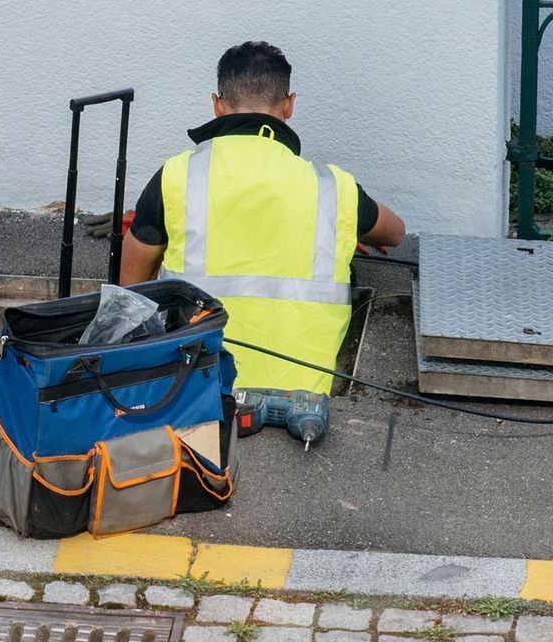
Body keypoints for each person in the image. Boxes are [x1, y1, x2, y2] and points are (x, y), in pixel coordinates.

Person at [119, 41, 405, 397]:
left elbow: (130, 293)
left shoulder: (176, 176)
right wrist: (343, 226)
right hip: (305, 395)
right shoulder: (332, 188)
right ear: (289, 105)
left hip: (196, 388)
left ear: (217, 105)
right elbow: (395, 232)